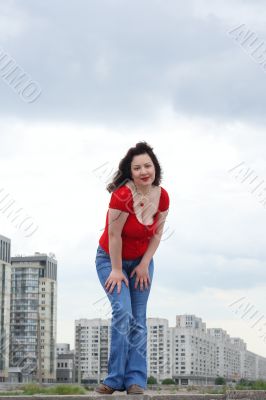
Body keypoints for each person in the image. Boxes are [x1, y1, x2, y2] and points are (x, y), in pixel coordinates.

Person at [95, 141, 170, 395]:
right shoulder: (122, 195)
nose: (143, 171)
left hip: (141, 262)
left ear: (154, 168)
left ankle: (135, 380)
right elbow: (114, 236)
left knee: (139, 320)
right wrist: (117, 270)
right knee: (123, 314)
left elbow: (157, 234)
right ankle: (114, 379)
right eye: (137, 167)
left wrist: (145, 264)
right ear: (130, 171)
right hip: (111, 260)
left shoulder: (163, 196)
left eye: (147, 165)